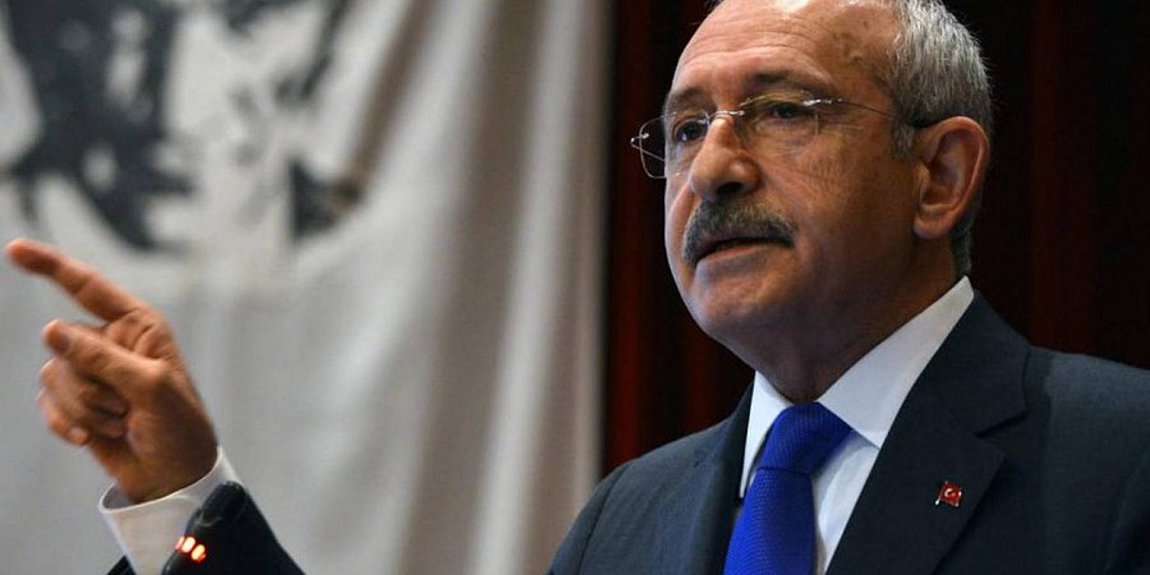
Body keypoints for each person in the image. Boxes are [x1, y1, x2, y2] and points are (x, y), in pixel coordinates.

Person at [7, 0, 1150, 573]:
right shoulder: (629, 518)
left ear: (937, 175)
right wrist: (185, 497)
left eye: (782, 110)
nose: (714, 166)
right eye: (685, 128)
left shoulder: (1121, 458)